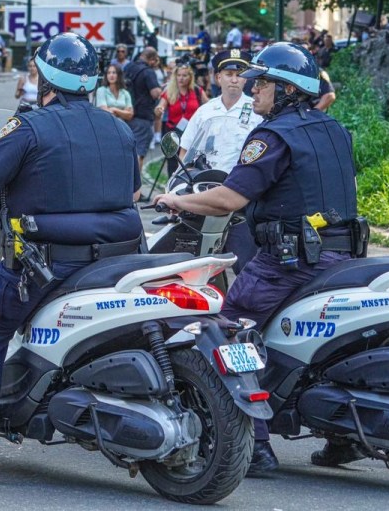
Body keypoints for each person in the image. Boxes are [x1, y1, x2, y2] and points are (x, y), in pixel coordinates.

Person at [0, 32, 143, 482]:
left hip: (48, 265)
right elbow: (133, 192)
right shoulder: (118, 128)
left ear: (46, 79)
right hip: (117, 260)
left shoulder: (29, 127)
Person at [154, 42, 364, 477]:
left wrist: (179, 199)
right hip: (344, 257)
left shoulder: (272, 136)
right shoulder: (334, 128)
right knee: (334, 347)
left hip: (289, 263)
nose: (253, 91)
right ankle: (345, 436)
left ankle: (258, 446)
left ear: (287, 89)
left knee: (228, 331)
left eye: (262, 83)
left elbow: (230, 197)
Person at [177, 49, 260, 271]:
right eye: (228, 73)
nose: (234, 79)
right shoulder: (205, 112)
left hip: (241, 199)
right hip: (207, 193)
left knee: (246, 267)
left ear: (247, 78)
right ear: (218, 77)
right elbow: (185, 154)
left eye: (240, 73)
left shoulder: (257, 112)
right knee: (199, 266)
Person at [155, 63, 208, 174]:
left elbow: (208, 106)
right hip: (174, 133)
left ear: (190, 77)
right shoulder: (169, 91)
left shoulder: (197, 91)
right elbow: (160, 107)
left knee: (190, 162)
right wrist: (159, 110)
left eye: (184, 75)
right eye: (179, 75)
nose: (181, 78)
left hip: (192, 132)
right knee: (173, 165)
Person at [121, 46, 163, 170]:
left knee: (127, 152)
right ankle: (136, 187)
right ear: (152, 59)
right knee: (138, 153)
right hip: (142, 117)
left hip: (126, 114)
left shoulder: (128, 67)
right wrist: (162, 88)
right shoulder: (148, 71)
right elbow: (155, 93)